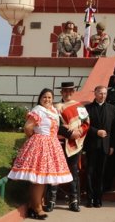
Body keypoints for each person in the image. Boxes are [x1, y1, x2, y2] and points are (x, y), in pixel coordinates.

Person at [8, 88, 74, 220]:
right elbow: (28, 127)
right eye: (45, 97)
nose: (47, 100)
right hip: (40, 144)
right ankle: (37, 208)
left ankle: (34, 206)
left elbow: (55, 127)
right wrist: (35, 138)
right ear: (40, 98)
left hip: (52, 145)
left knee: (42, 179)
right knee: (38, 180)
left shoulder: (53, 111)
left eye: (50, 97)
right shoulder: (38, 110)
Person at [45, 82, 89, 212]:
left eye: (70, 91)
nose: (67, 93)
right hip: (59, 143)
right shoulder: (55, 107)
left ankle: (74, 201)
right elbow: (55, 125)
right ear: (61, 92)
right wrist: (71, 133)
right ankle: (51, 200)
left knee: (73, 172)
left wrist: (79, 132)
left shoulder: (79, 106)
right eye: (64, 91)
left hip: (75, 145)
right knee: (55, 170)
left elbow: (86, 122)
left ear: (73, 91)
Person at [84, 86, 115, 208]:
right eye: (100, 93)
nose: (102, 95)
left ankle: (98, 198)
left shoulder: (111, 108)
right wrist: (96, 132)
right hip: (92, 145)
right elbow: (84, 126)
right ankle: (90, 199)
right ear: (95, 93)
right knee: (90, 172)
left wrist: (112, 145)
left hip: (105, 146)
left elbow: (113, 129)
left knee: (101, 173)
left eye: (104, 93)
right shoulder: (87, 108)